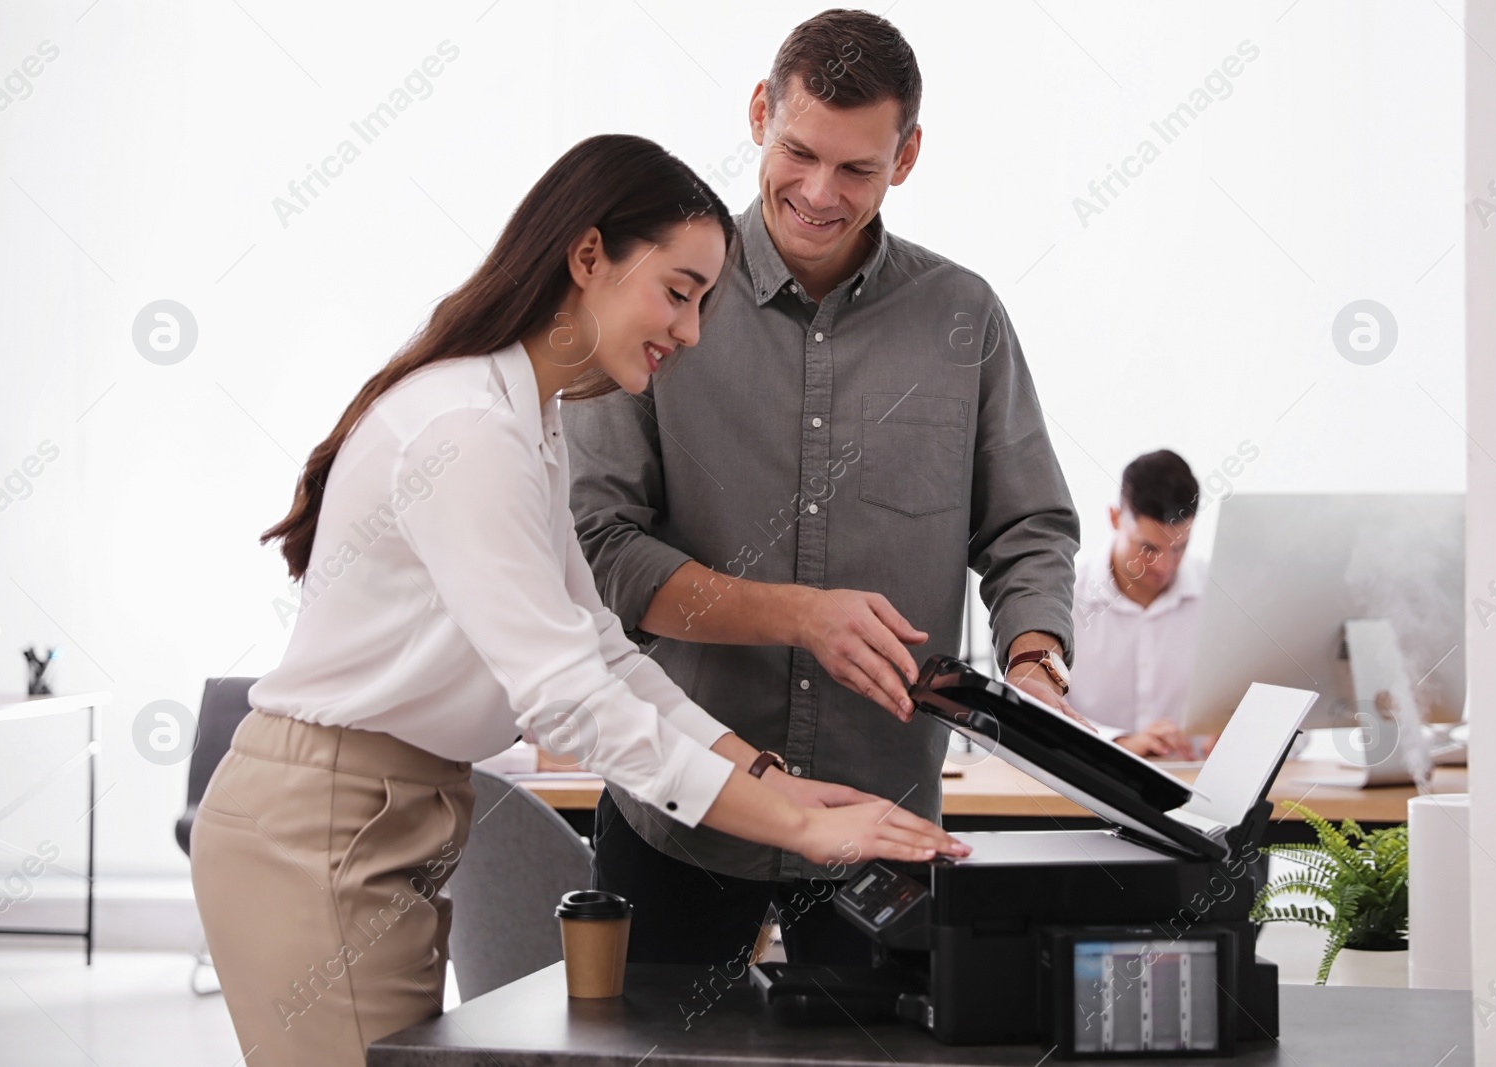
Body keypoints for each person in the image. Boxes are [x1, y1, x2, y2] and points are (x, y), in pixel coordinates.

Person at [189, 134, 965, 1067]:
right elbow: (565, 697)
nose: (691, 331)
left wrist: (766, 777)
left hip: (392, 811)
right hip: (324, 820)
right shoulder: (470, 429)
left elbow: (604, 649)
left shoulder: (531, 424)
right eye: (678, 292)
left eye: (705, 303)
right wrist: (796, 824)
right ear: (588, 256)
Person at [563, 11, 1079, 969]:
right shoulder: (657, 299)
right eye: (798, 152)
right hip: (683, 805)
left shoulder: (963, 318)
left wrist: (1038, 655)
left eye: (858, 170)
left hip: (882, 823)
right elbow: (601, 549)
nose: (819, 192)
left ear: (908, 155)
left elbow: (1026, 524)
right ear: (760, 113)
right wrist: (801, 614)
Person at [1067, 450, 1206, 759]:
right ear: (1115, 518)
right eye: (1149, 548)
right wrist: (1116, 743)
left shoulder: (1222, 599)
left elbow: (1291, 713)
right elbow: (1030, 711)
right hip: (1088, 786)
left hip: (1201, 789)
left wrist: (1247, 736)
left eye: (1179, 548)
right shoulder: (1063, 600)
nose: (1164, 566)